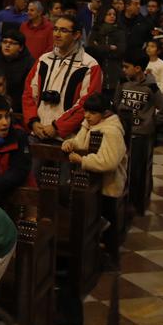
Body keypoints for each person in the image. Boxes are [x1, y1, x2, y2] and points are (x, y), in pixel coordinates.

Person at [62, 93, 128, 254]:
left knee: (108, 225)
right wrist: (70, 143)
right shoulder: (91, 124)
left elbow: (108, 161)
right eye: (86, 112)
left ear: (105, 113)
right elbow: (81, 142)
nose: (87, 116)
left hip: (107, 187)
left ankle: (111, 259)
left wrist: (82, 160)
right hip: (93, 183)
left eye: (92, 113)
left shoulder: (111, 131)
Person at [23, 14, 102, 141]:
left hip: (69, 139)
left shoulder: (89, 65)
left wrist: (57, 127)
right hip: (38, 132)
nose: (57, 34)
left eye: (63, 30)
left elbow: (87, 105)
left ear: (76, 35)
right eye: (55, 29)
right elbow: (29, 94)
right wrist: (33, 122)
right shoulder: (44, 59)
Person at [114, 51, 163, 214]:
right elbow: (117, 103)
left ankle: (137, 204)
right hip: (122, 133)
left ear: (138, 68)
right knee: (122, 169)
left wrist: (149, 124)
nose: (123, 69)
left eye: (127, 67)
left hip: (141, 136)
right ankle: (122, 202)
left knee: (138, 171)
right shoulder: (123, 81)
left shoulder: (151, 87)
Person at [0, 29, 33, 104]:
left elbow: (28, 90)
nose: (7, 45)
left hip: (17, 103)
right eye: (4, 42)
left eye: (12, 43)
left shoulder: (29, 63)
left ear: (21, 48)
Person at [87, 7, 126, 94]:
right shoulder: (95, 31)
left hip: (115, 71)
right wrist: (109, 48)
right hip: (98, 69)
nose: (112, 16)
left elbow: (120, 51)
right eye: (109, 14)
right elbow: (91, 50)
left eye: (114, 14)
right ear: (102, 16)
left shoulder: (120, 32)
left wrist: (100, 48)